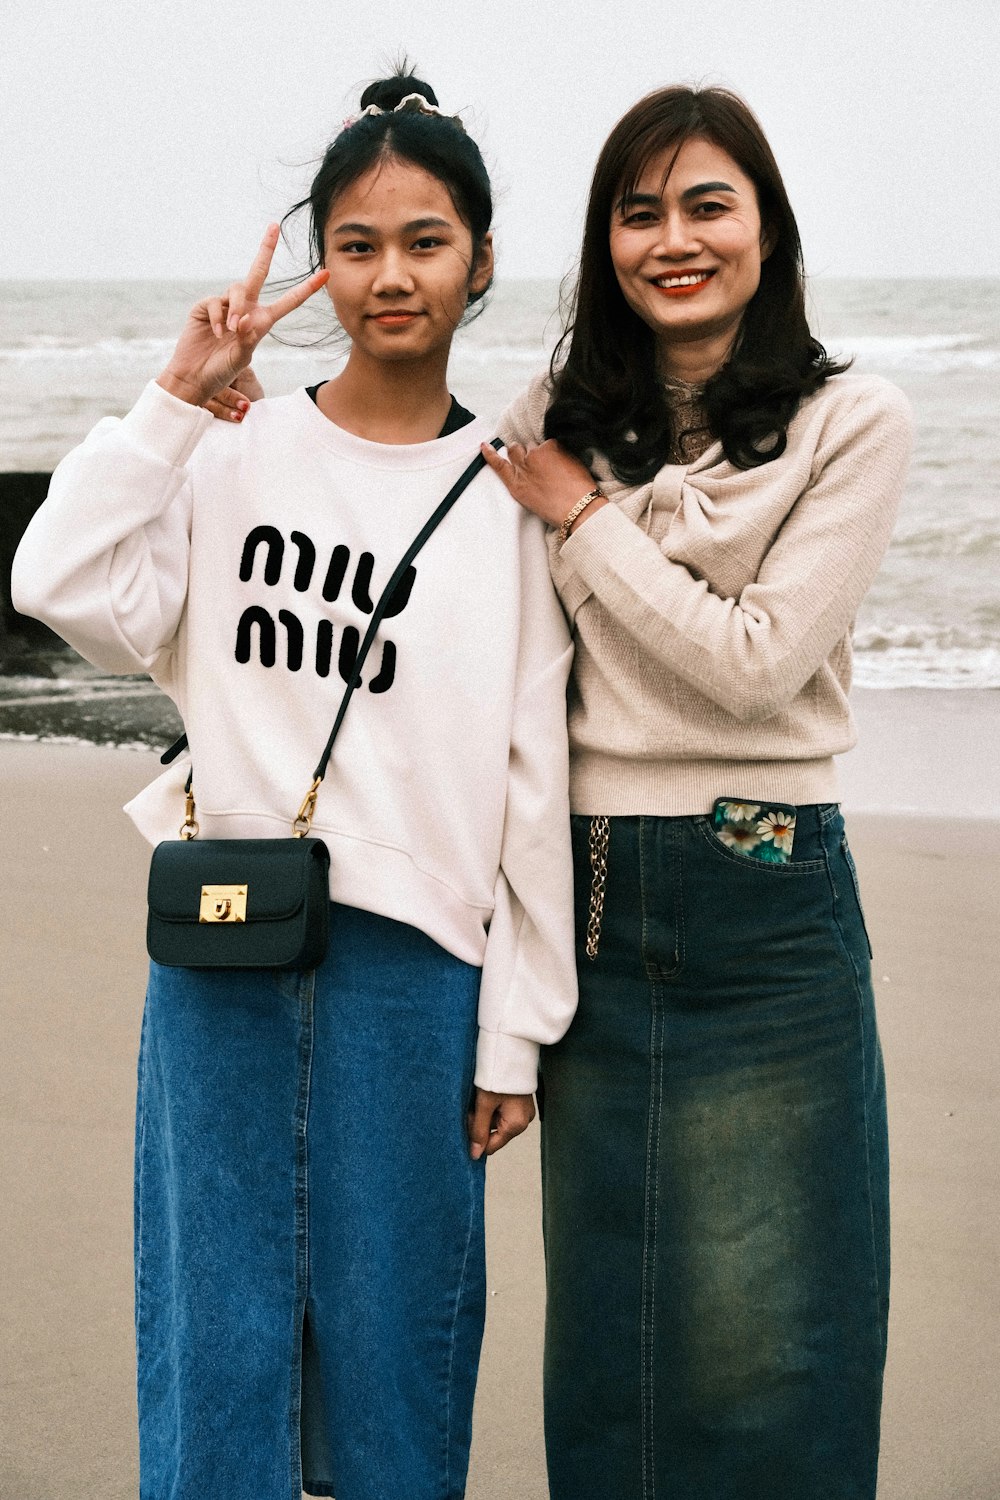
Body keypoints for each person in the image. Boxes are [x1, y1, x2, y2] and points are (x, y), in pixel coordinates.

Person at [11, 72, 577, 1500]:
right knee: (219, 1355)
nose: (392, 274)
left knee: (402, 1367)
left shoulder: (512, 497)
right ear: (318, 257)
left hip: (418, 980)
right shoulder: (234, 449)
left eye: (428, 239)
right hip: (223, 956)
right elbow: (53, 580)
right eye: (359, 241)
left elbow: (530, 779)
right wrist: (171, 403)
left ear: (484, 259)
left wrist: (517, 1030)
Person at [478, 85, 913, 1500]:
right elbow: (410, 528)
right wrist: (225, 427)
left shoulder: (856, 420)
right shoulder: (552, 417)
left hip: (767, 896)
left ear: (767, 228)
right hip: (590, 896)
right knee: (611, 1336)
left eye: (707, 203)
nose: (674, 238)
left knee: (782, 1338)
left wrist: (587, 521)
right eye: (639, 209)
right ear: (606, 240)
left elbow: (756, 664)